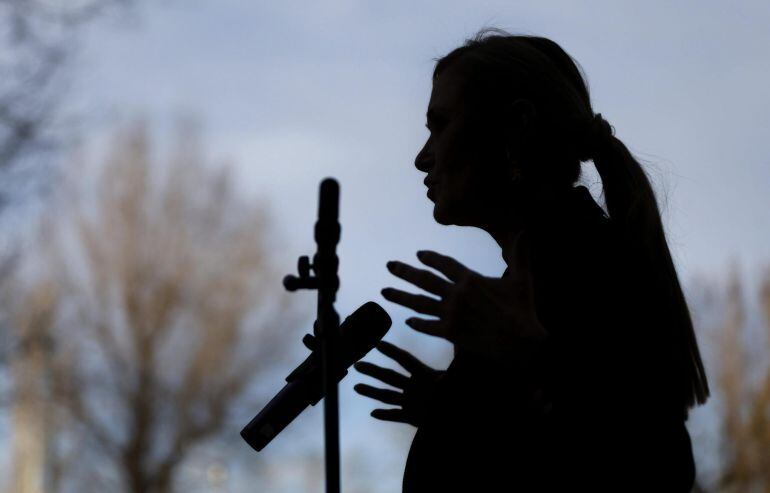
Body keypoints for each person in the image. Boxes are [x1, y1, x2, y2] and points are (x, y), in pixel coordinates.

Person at [351, 28, 710, 492]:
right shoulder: (548, 272)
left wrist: (532, 360)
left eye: (440, 126)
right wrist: (456, 412)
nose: (423, 159)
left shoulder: (591, 270)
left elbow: (658, 465)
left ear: (516, 128)